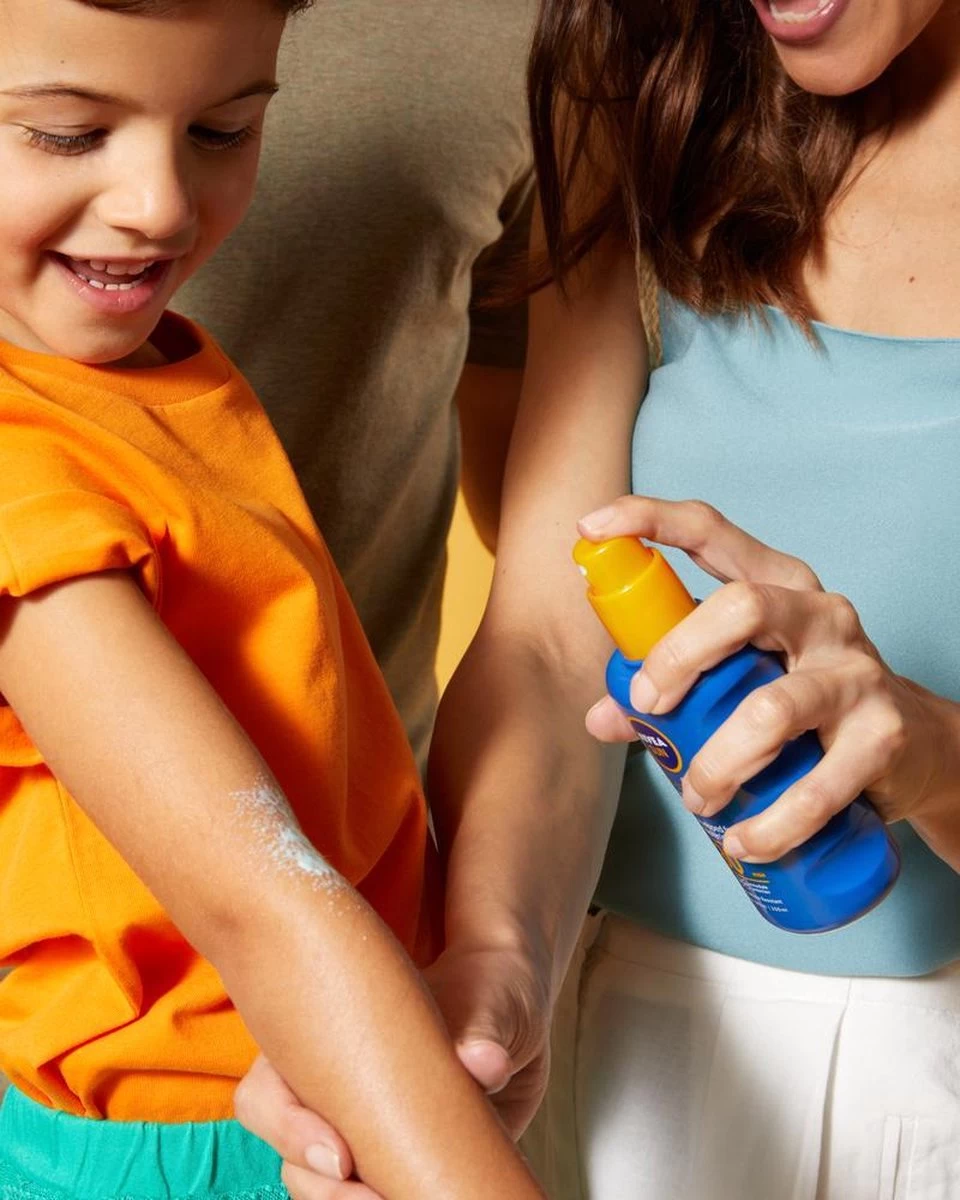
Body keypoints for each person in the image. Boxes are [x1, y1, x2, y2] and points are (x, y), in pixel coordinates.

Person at [259, 0, 960, 1196]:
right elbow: (550, 637)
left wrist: (934, 760)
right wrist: (491, 967)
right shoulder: (643, 69)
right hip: (621, 1047)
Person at [0, 2, 548, 1197]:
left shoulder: (146, 366)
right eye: (66, 133)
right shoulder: (17, 472)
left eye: (222, 129)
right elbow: (263, 900)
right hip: (176, 1146)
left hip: (340, 1082)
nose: (159, 204)